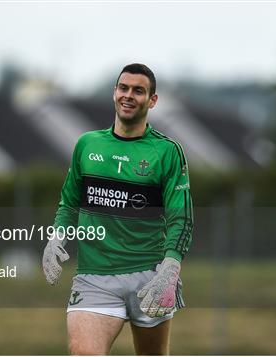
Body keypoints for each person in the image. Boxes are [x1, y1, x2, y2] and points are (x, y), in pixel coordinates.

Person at [42, 63, 193, 355]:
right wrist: (56, 237)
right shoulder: (87, 144)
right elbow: (69, 203)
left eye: (139, 91)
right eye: (123, 88)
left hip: (151, 277)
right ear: (114, 92)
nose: (129, 95)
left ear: (152, 100)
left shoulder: (166, 152)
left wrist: (171, 266)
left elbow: (181, 217)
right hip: (94, 277)